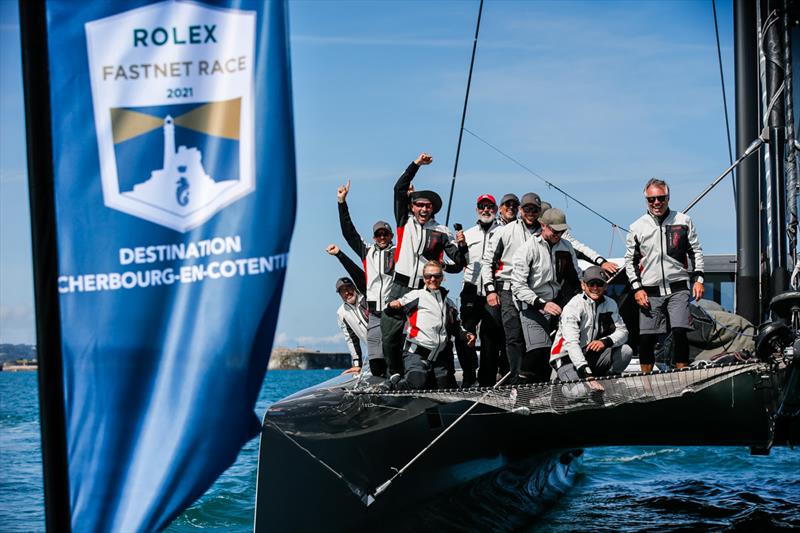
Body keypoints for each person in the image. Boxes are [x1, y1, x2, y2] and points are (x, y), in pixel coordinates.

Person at [381, 153, 468, 377]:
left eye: (428, 206)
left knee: (428, 333)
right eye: (419, 205)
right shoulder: (404, 221)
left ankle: (431, 375)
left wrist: (462, 247)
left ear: (433, 209)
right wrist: (416, 164)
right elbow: (398, 189)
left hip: (424, 288)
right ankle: (394, 375)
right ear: (412, 207)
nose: (423, 209)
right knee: (390, 332)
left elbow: (458, 262)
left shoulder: (442, 230)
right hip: (400, 285)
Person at [624, 178, 705, 373]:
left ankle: (682, 376)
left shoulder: (683, 221)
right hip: (649, 291)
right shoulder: (637, 227)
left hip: (677, 287)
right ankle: (646, 381)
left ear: (668, 198)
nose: (656, 203)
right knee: (646, 339)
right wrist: (637, 288)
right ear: (646, 200)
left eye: (660, 198)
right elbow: (630, 261)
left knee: (679, 332)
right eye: (651, 200)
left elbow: (696, 252)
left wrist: (699, 279)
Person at [510, 208, 582, 382]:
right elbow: (517, 286)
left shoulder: (567, 247)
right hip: (531, 305)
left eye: (562, 230)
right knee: (538, 350)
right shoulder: (527, 249)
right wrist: (542, 304)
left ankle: (545, 393)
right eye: (555, 230)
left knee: (554, 352)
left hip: (557, 305)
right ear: (543, 226)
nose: (559, 234)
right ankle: (519, 395)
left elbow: (576, 276)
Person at [482, 192, 543, 383]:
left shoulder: (544, 232)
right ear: (521, 211)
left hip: (534, 290)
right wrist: (490, 290)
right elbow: (487, 263)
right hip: (507, 289)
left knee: (534, 339)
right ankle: (516, 382)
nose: (530, 212)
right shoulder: (504, 231)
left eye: (534, 209)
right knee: (512, 337)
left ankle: (534, 380)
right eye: (527, 209)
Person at [336, 179, 394, 377]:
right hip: (375, 312)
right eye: (378, 234)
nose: (382, 237)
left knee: (396, 355)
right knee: (376, 358)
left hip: (395, 309)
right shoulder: (367, 251)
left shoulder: (400, 251)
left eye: (385, 234)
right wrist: (342, 203)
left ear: (391, 235)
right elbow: (349, 233)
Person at [387, 260, 475, 389]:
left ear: (442, 277)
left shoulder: (449, 303)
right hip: (417, 353)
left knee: (444, 387)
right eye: (428, 276)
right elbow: (391, 310)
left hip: (439, 356)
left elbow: (457, 327)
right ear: (424, 278)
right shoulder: (416, 296)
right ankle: (392, 384)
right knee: (418, 381)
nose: (432, 279)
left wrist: (467, 335)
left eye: (437, 276)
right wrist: (391, 305)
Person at [550, 265, 632, 386]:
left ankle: (608, 384)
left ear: (605, 286)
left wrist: (605, 342)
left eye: (599, 284)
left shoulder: (611, 304)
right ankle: (558, 388)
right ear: (583, 285)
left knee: (626, 351)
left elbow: (623, 332)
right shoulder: (573, 306)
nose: (595, 288)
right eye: (591, 283)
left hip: (591, 355)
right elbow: (571, 344)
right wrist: (587, 375)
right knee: (581, 392)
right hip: (566, 357)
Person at [461, 194, 505, 386]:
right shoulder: (468, 234)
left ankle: (487, 382)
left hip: (492, 292)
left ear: (495, 210)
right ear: (477, 209)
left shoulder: (504, 231)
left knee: (490, 339)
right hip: (470, 290)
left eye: (490, 207)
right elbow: (456, 261)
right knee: (465, 336)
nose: (486, 210)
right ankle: (469, 377)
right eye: (482, 207)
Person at [333, 274, 369, 375]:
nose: (347, 293)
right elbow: (351, 339)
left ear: (354, 287)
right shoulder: (341, 313)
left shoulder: (367, 299)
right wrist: (357, 364)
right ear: (340, 294)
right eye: (342, 291)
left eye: (348, 288)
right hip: (375, 352)